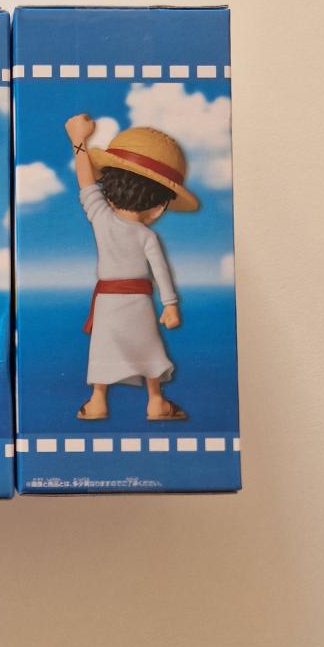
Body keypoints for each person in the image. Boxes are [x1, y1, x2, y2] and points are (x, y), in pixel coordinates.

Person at [65, 114, 199, 422]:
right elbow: (161, 272)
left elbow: (85, 182)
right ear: (159, 207)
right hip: (138, 302)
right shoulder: (147, 236)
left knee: (103, 348)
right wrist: (170, 305)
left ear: (109, 190)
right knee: (148, 348)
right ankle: (156, 401)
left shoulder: (101, 219)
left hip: (107, 302)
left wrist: (78, 140)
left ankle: (98, 400)